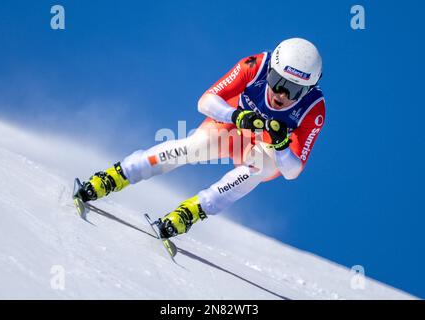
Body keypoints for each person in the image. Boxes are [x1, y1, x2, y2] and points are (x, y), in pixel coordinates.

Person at [74, 37, 326, 239]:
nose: (281, 93)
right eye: (277, 80)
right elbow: (205, 101)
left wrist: (282, 145)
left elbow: (292, 171)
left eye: (293, 89)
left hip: (262, 149)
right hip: (231, 129)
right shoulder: (255, 65)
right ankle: (116, 176)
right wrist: (237, 116)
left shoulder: (313, 109)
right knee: (195, 147)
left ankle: (192, 211)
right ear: (270, 69)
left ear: (308, 90)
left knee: (261, 167)